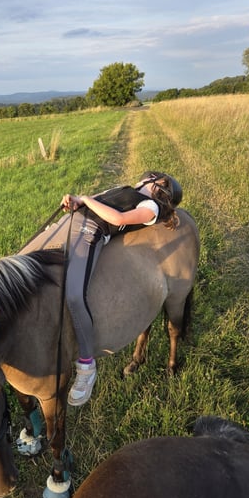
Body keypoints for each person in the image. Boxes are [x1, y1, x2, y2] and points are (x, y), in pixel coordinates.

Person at [61, 171, 183, 407]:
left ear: (158, 188)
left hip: (90, 233)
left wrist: (86, 199)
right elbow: (101, 201)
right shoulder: (126, 189)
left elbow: (117, 219)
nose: (147, 175)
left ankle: (86, 366)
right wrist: (77, 201)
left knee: (75, 295)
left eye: (153, 176)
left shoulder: (151, 207)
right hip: (72, 224)